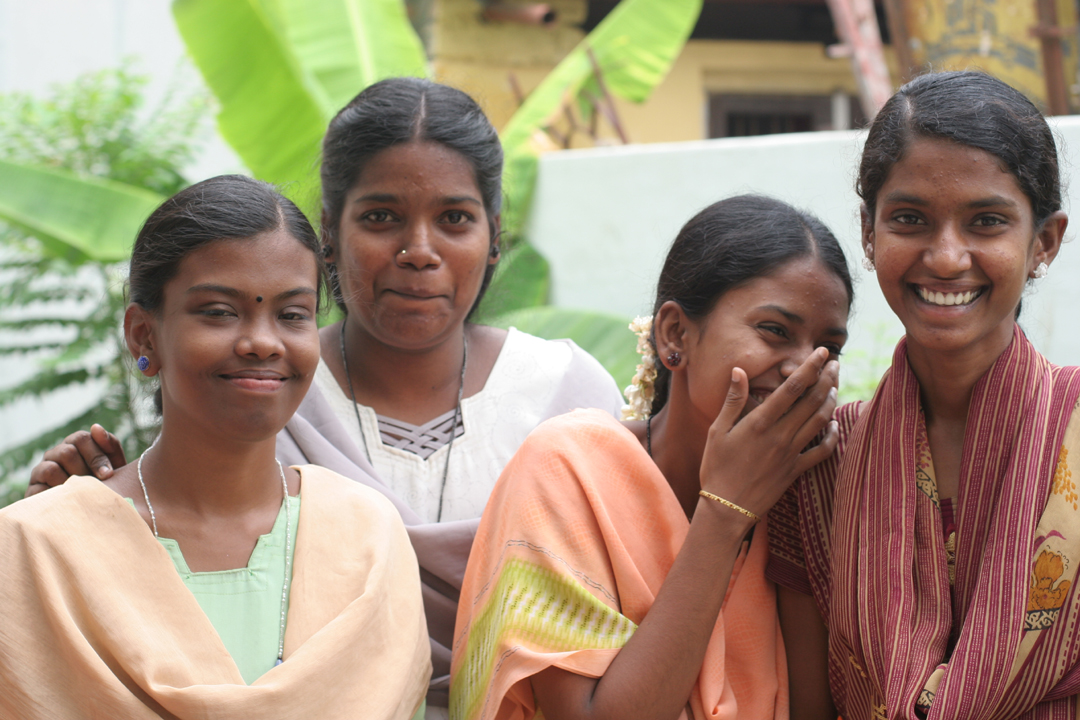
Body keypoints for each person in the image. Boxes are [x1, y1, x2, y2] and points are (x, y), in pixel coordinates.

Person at [25, 77, 622, 718]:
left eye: (454, 218)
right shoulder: (258, 401)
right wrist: (75, 528)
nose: (418, 252)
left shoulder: (570, 398)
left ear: (494, 233)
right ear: (330, 232)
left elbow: (627, 597)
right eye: (381, 217)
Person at [0, 175, 430, 718]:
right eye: (220, 312)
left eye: (292, 314)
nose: (263, 342)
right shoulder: (39, 548)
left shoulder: (368, 536)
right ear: (143, 335)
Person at [450, 194, 853, 720]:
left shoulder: (806, 489)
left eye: (828, 348)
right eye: (775, 331)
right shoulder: (568, 469)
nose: (804, 367)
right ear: (674, 334)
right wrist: (725, 512)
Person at [768, 71, 1080, 720]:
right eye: (910, 219)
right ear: (869, 232)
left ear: (1043, 242)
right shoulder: (820, 466)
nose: (945, 257)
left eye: (986, 222)